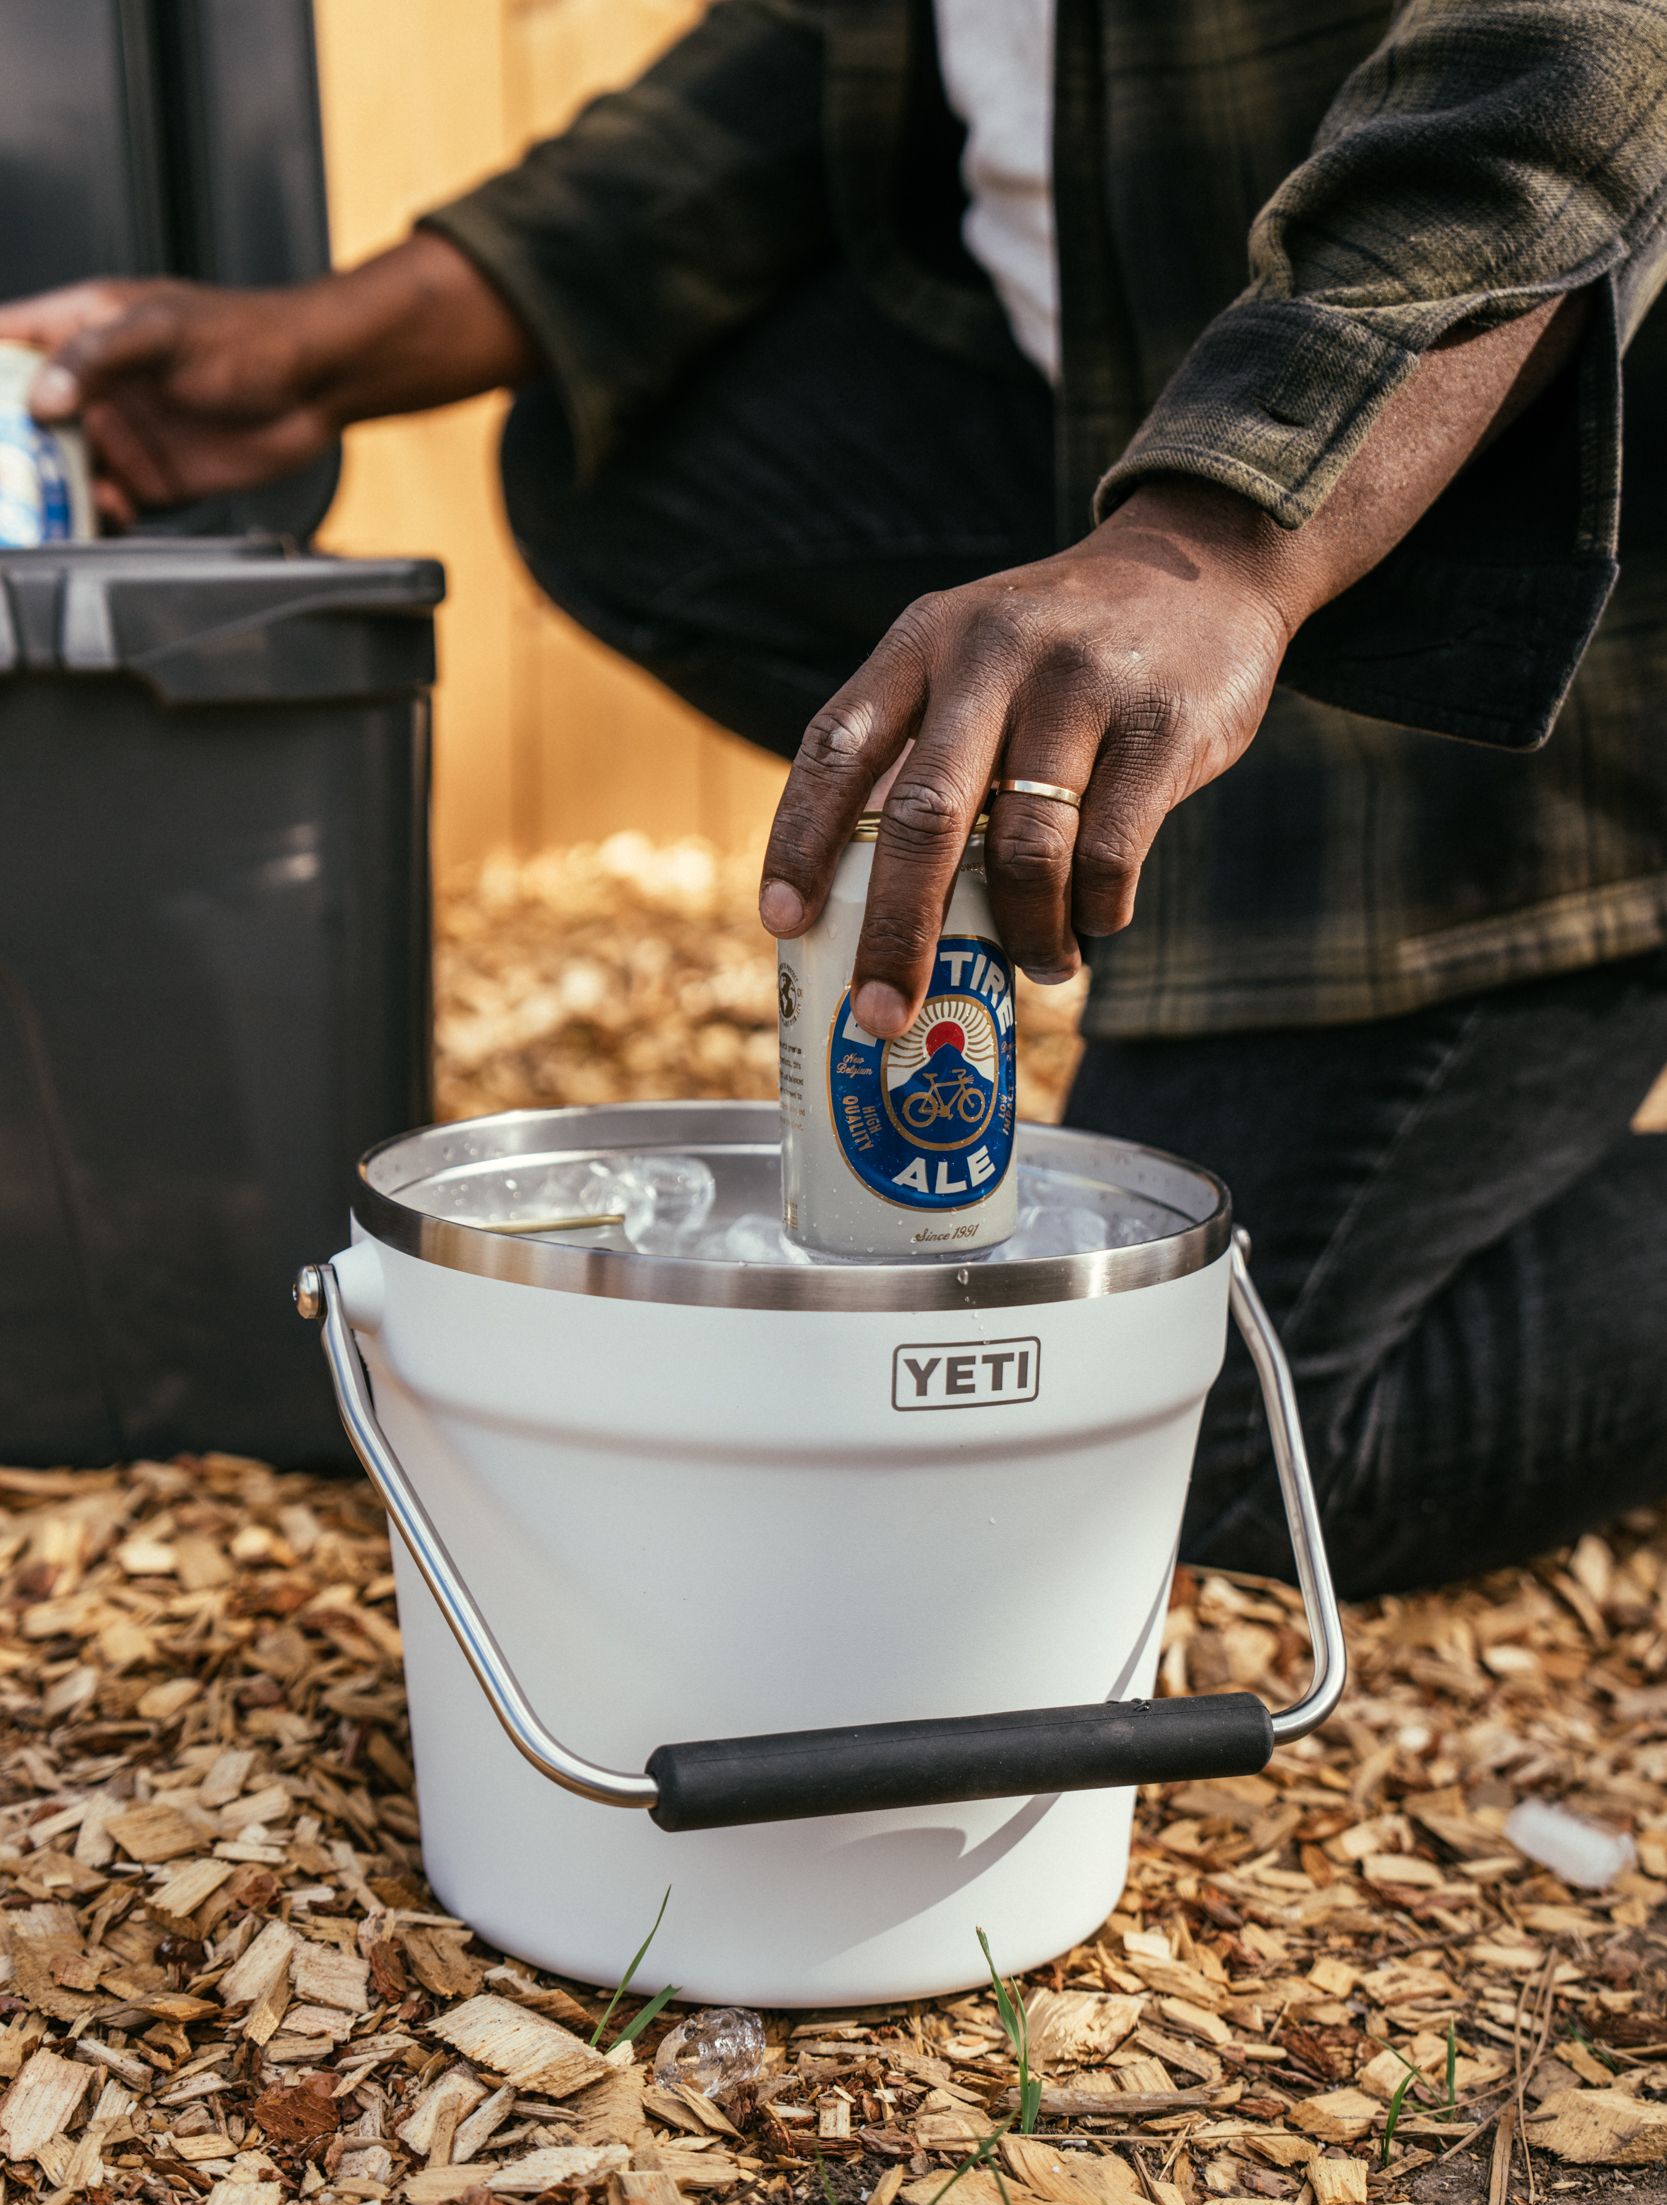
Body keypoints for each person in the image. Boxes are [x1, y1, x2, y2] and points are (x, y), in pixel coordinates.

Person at [6, 0, 1666, 1597]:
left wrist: (1217, 543)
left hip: (1555, 584)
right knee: (638, 449)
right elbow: (822, 44)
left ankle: (1265, 748)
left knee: (1195, 1445)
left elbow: (1580, 50)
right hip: (1141, 437)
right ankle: (1154, 761)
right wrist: (327, 346)